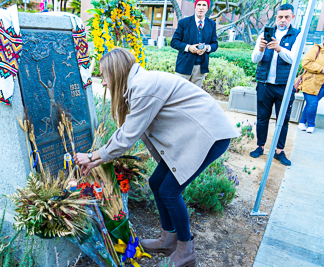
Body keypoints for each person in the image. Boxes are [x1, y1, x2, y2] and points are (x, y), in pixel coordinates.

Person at [73, 48, 239, 267]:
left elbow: (127, 136)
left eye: (104, 75)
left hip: (209, 136)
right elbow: (130, 132)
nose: (103, 82)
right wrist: (98, 160)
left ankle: (186, 249)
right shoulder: (138, 85)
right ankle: (168, 239)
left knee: (170, 191)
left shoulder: (143, 87)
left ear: (115, 72)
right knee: (156, 182)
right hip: (193, 137)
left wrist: (92, 155)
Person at [250, 4, 301, 166]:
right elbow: (254, 59)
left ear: (292, 18)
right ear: (276, 17)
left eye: (287, 17)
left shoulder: (297, 35)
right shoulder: (264, 34)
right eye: (280, 17)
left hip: (284, 85)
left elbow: (295, 60)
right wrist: (260, 49)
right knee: (262, 118)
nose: (283, 20)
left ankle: (279, 151)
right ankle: (260, 146)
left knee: (283, 119)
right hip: (264, 84)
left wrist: (279, 49)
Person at [170, 0, 218, 88]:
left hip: (200, 68)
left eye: (204, 5)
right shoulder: (184, 22)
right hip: (184, 66)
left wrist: (207, 48)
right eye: (199, 4)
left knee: (194, 98)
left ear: (207, 8)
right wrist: (188, 47)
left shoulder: (212, 24)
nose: (201, 7)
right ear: (195, 7)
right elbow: (174, 42)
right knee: (179, 95)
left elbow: (215, 44)